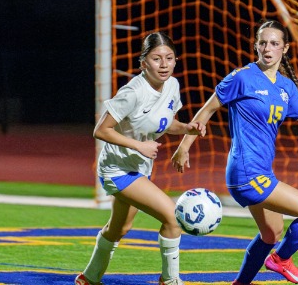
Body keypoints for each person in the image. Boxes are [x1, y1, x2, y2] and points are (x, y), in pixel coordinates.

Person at [171, 19, 298, 285]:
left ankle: (241, 283)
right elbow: (206, 110)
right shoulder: (242, 77)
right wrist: (184, 147)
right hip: (246, 173)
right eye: (263, 43)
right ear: (256, 46)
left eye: (274, 43)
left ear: (285, 48)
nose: (267, 48)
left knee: (272, 234)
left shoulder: (286, 88)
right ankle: (280, 260)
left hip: (262, 172)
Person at [75, 32, 205, 285]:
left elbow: (166, 123)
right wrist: (139, 146)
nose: (164, 64)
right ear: (143, 63)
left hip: (139, 168)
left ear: (176, 60)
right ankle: (170, 280)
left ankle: (88, 278)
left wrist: (187, 128)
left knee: (118, 229)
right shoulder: (133, 92)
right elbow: (101, 130)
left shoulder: (172, 86)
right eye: (157, 58)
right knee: (173, 218)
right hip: (117, 170)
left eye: (169, 58)